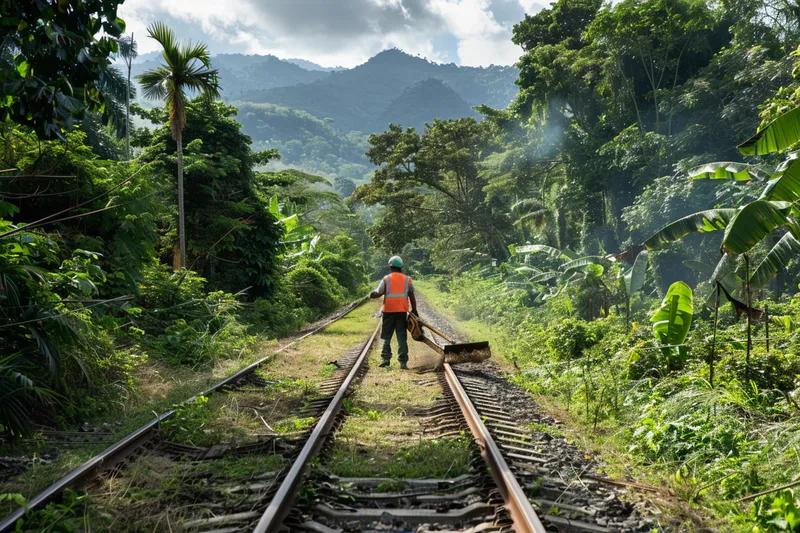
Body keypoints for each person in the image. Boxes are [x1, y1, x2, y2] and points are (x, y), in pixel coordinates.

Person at [370, 255, 418, 369]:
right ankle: (403, 362)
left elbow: (378, 293)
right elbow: (411, 295)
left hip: (388, 312)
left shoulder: (386, 279)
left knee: (386, 336)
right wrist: (414, 310)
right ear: (401, 267)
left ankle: (385, 359)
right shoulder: (407, 279)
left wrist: (372, 295)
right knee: (402, 337)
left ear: (390, 266)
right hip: (401, 312)